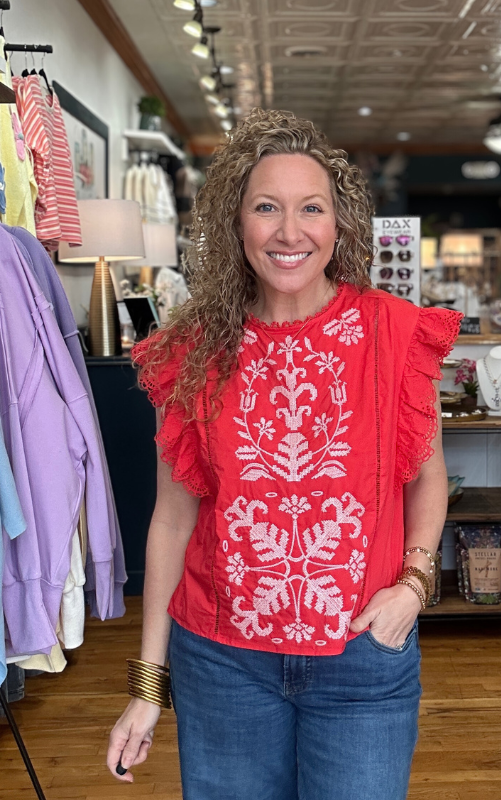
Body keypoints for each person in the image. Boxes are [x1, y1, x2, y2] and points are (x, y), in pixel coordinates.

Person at [106, 107, 462, 800]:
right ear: (236, 225)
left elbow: (427, 478)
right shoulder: (192, 353)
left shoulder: (394, 333)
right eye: (267, 207)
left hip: (363, 658)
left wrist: (413, 587)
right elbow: (172, 521)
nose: (290, 231)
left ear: (339, 226)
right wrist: (149, 686)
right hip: (222, 663)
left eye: (312, 209)